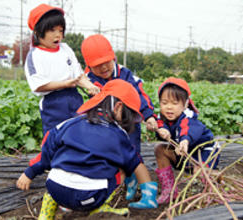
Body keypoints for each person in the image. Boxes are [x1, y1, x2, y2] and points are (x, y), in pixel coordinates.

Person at [16, 79, 158, 218]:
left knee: (61, 158)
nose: (127, 122)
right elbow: (135, 163)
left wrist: (30, 172)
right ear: (118, 107)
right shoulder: (119, 135)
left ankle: (48, 210)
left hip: (56, 190)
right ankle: (99, 207)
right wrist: (148, 195)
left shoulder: (70, 123)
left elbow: (47, 148)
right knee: (121, 168)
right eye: (128, 116)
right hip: (90, 197)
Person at [81, 34, 158, 201]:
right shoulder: (87, 80)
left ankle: (140, 185)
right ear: (88, 65)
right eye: (97, 65)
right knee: (110, 156)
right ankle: (119, 182)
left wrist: (149, 116)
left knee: (132, 153)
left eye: (106, 62)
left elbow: (140, 95)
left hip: (128, 123)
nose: (103, 68)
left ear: (113, 56)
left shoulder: (125, 74)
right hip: (106, 127)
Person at [25, 3, 99, 135]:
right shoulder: (35, 55)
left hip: (74, 98)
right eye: (52, 31)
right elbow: (38, 85)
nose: (58, 35)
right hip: (53, 104)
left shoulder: (66, 49)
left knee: (79, 134)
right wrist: (66, 83)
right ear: (37, 32)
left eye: (60, 30)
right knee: (56, 138)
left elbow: (78, 75)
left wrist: (89, 86)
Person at [153, 77, 220, 204]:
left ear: (185, 104)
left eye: (174, 103)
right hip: (184, 152)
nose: (169, 107)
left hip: (203, 151)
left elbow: (187, 130)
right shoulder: (162, 117)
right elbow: (161, 125)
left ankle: (216, 186)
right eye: (164, 103)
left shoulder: (189, 117)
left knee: (200, 171)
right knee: (160, 149)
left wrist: (185, 140)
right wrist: (161, 131)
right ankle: (169, 191)